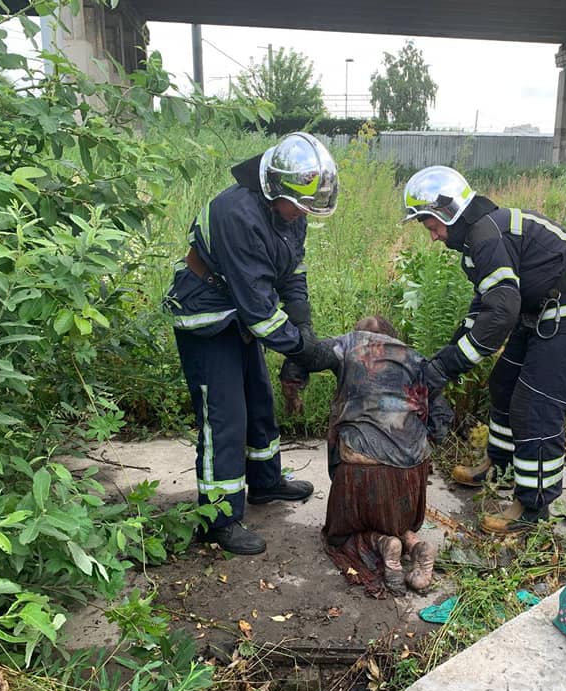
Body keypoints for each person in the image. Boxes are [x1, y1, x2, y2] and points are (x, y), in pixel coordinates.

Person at [402, 166, 566, 534]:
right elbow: (487, 305)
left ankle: (533, 509)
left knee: (535, 406)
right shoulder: (476, 238)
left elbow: (500, 314)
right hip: (539, 308)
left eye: (432, 225)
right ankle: (499, 465)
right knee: (503, 384)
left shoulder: (486, 236)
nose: (433, 236)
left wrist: (449, 366)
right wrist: (448, 354)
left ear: (450, 212)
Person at [165, 132, 340, 556]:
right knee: (224, 416)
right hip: (207, 314)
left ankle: (265, 483)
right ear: (273, 188)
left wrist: (304, 329)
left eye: (307, 209)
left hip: (238, 308)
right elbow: (262, 314)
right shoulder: (238, 215)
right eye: (298, 206)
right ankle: (219, 519)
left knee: (259, 399)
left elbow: (292, 274)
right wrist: (308, 353)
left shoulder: (287, 216)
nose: (302, 215)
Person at [284, 316, 452, 596]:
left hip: (361, 472)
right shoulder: (416, 359)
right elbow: (442, 416)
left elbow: (303, 352)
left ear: (357, 332)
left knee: (339, 535)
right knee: (401, 519)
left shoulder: (347, 345)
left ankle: (381, 544)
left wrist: (292, 390)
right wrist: (418, 447)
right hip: (410, 477)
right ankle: (412, 542)